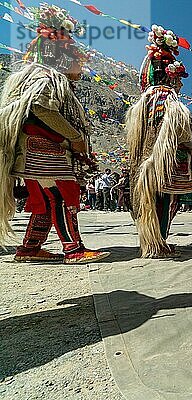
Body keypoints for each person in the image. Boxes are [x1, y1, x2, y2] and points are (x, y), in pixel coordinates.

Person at [0, 4, 109, 263]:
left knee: (44, 201)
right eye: (78, 63)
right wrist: (75, 137)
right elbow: (40, 108)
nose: (81, 70)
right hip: (45, 152)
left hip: (35, 152)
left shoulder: (42, 77)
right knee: (64, 195)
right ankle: (73, 249)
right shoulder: (49, 79)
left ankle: (29, 249)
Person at [127, 25, 192, 258]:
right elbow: (183, 133)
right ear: (171, 75)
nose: (180, 84)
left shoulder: (142, 103)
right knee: (165, 200)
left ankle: (151, 242)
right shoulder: (170, 100)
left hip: (143, 161)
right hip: (165, 161)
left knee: (149, 199)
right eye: (178, 79)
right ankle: (159, 244)